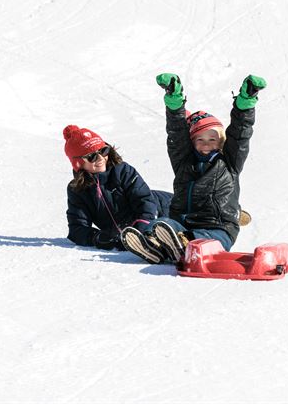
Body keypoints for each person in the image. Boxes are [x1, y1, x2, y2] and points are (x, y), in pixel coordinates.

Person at [120, 73, 266, 264]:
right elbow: (177, 133)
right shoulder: (183, 162)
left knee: (202, 238)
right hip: (182, 224)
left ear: (220, 141)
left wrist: (245, 103)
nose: (206, 144)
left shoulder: (230, 162)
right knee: (158, 224)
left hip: (218, 227)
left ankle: (179, 245)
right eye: (200, 139)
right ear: (192, 141)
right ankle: (154, 246)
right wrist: (174, 102)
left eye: (212, 139)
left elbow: (240, 134)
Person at [63, 125, 172, 251]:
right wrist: (98, 237)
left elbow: (145, 202)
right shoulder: (76, 189)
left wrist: (141, 231)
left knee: (190, 228)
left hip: (167, 209)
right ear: (77, 163)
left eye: (103, 151)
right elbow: (77, 228)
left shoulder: (122, 171)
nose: (100, 158)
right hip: (131, 232)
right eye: (91, 156)